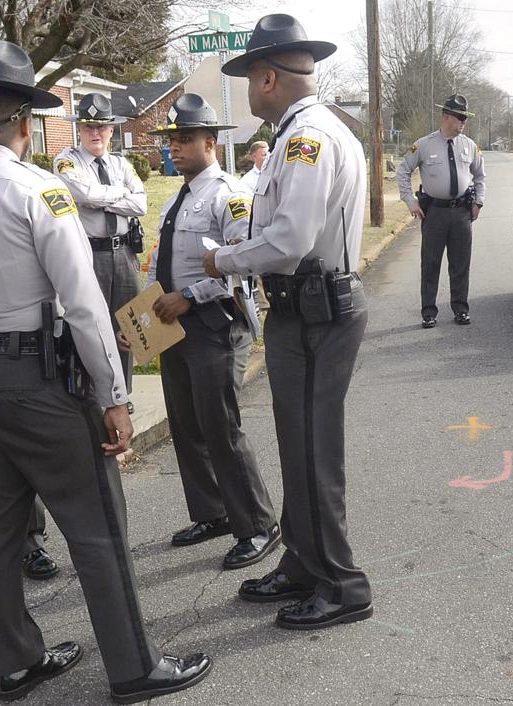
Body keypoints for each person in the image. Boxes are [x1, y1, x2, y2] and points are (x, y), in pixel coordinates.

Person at [0, 40, 210, 703]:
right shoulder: (39, 190)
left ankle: (12, 662)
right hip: (41, 380)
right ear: (22, 121)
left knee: (6, 521)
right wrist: (115, 395)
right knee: (96, 521)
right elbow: (83, 306)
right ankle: (133, 668)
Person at [204, 13, 373, 630]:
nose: (248, 92)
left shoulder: (307, 139)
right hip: (307, 309)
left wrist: (221, 258)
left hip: (315, 308)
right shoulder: (308, 133)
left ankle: (342, 584)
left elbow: (290, 239)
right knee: (300, 446)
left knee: (313, 450)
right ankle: (305, 562)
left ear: (267, 77)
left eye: (249, 78)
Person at [140, 93, 280, 570]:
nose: (174, 148)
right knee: (186, 423)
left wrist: (189, 296)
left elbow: (244, 262)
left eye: (184, 139)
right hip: (174, 327)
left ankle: (259, 525)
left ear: (210, 143)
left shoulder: (228, 193)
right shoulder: (179, 196)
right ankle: (212, 512)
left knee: (220, 426)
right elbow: (165, 261)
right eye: (171, 141)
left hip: (215, 324)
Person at [53, 93, 146, 395]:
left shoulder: (121, 163)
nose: (95, 133)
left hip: (125, 253)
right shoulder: (67, 161)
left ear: (111, 130)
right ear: (79, 129)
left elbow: (141, 204)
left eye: (101, 127)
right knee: (93, 324)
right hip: (90, 255)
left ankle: (123, 392)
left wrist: (103, 198)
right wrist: (119, 194)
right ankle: (94, 393)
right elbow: (84, 195)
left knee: (128, 324)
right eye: (88, 126)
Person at [395, 94, 486, 328]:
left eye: (465, 117)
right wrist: (410, 201)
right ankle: (428, 312)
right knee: (431, 263)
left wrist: (479, 202)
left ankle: (460, 309)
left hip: (462, 213)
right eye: (459, 117)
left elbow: (480, 176)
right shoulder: (424, 145)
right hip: (434, 212)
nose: (463, 121)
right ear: (445, 116)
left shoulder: (469, 145)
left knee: (460, 264)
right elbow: (403, 171)